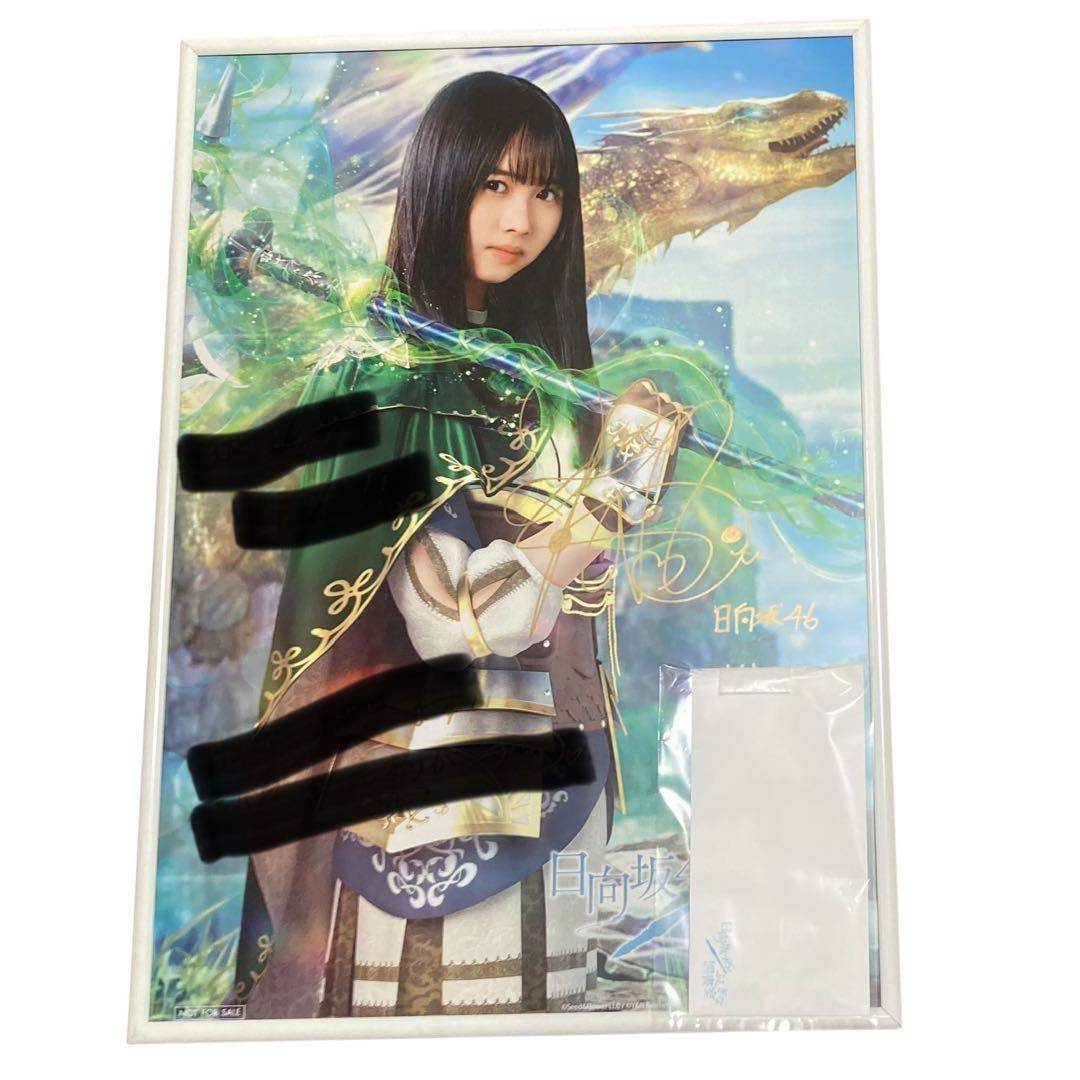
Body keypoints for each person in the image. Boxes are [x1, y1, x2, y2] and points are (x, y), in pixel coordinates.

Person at [229, 70, 689, 1019]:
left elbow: (580, 612)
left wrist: (615, 475)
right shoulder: (385, 381)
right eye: (494, 183)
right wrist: (609, 495)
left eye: (546, 190)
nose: (522, 218)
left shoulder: (547, 386)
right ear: (443, 181)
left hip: (563, 780)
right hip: (427, 801)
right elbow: (457, 619)